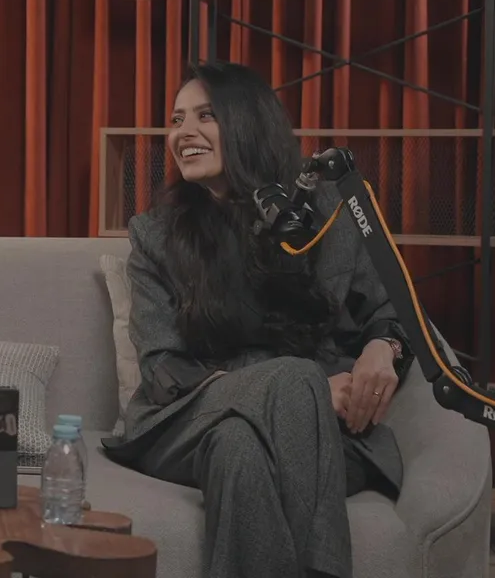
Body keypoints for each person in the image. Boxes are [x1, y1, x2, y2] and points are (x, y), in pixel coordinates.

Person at [101, 61, 414, 578]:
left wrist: (384, 348)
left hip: (327, 433)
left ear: (249, 122)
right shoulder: (156, 235)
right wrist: (298, 390)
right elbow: (163, 369)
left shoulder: (328, 213)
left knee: (238, 448)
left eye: (205, 115)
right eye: (177, 120)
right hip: (191, 418)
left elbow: (391, 310)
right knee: (294, 380)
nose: (183, 132)